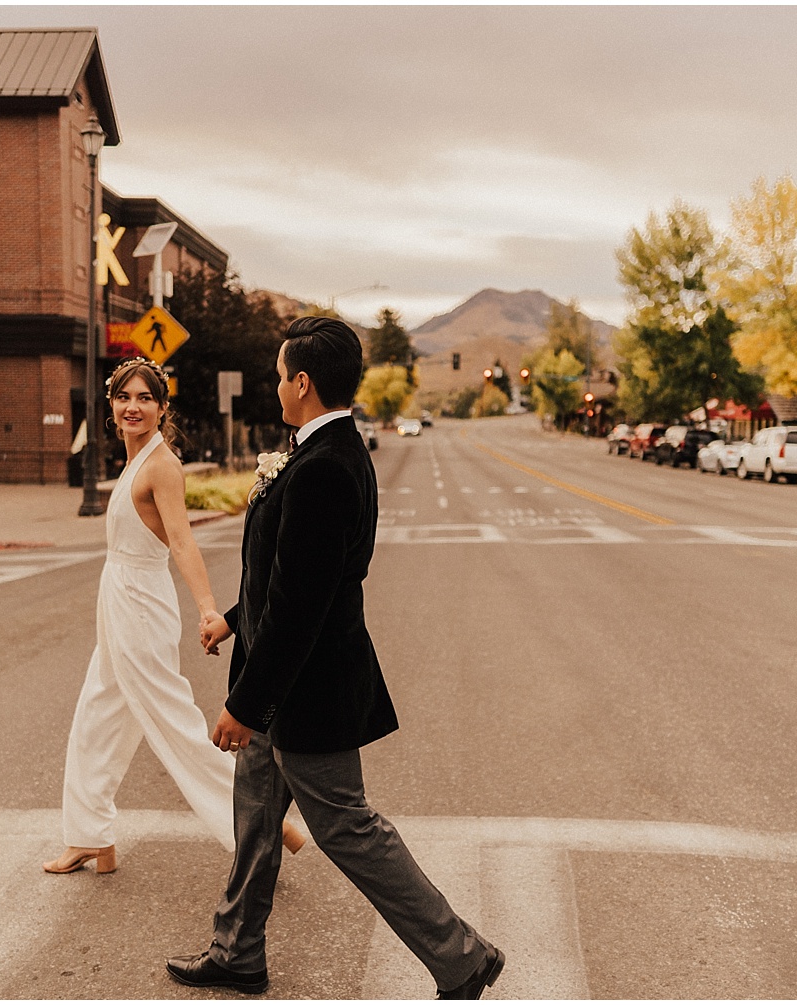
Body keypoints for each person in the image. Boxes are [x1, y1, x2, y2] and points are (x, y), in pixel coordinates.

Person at [166, 318, 504, 999]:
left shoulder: (324, 467)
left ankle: (461, 956)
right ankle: (237, 950)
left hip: (304, 691)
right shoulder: (320, 451)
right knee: (257, 817)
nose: (273, 384)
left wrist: (243, 705)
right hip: (279, 677)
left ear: (302, 381)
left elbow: (300, 606)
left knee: (347, 826)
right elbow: (287, 576)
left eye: (278, 373)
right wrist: (234, 622)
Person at [43, 357, 303, 876]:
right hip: (118, 598)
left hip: (140, 604)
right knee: (98, 714)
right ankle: (91, 835)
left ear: (162, 408)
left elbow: (182, 541)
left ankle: (265, 824)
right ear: (111, 408)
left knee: (174, 723)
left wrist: (209, 609)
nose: (132, 407)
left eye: (144, 398)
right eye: (123, 398)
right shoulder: (134, 459)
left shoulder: (162, 464)